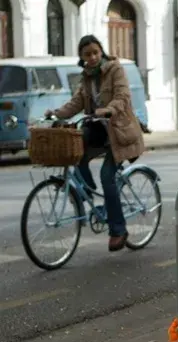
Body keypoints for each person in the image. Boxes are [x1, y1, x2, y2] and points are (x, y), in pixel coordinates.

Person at [45, 35, 145, 252]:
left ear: (101, 52)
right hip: (99, 129)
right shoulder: (86, 78)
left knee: (107, 177)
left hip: (119, 132)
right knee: (75, 154)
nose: (92, 57)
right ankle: (88, 194)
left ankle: (118, 230)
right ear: (82, 58)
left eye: (95, 52)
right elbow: (77, 102)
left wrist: (110, 108)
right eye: (87, 54)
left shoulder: (115, 69)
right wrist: (56, 114)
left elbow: (123, 95)